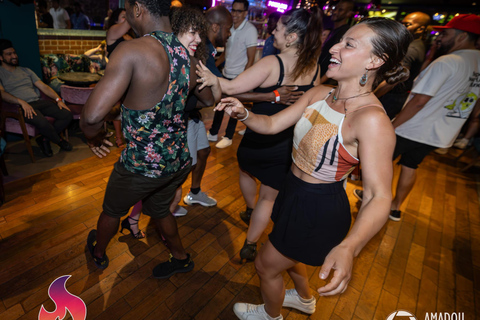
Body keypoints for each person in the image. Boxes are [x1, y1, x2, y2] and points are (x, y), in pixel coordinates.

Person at [212, 17, 412, 319]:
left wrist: (350, 247)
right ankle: (304, 299)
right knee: (288, 253)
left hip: (318, 207)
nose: (333, 48)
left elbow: (379, 196)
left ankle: (271, 315)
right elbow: (271, 124)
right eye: (339, 41)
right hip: (290, 189)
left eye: (349, 44)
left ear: (374, 60)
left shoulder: (371, 120)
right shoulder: (321, 93)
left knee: (266, 264)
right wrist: (243, 114)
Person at [80, 0, 213, 279]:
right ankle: (181, 258)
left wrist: (95, 138)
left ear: (138, 9)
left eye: (128, 10)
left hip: (141, 165)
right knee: (161, 210)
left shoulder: (132, 51)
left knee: (112, 210)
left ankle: (99, 254)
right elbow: (208, 99)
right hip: (176, 161)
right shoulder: (188, 57)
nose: (127, 15)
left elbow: (91, 117)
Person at [197, 7, 322, 262]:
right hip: (288, 143)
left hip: (260, 135)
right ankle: (250, 243)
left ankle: (250, 209)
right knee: (270, 195)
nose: (273, 31)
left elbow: (230, 86)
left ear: (292, 37)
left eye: (278, 28)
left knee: (245, 169)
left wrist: (210, 75)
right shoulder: (316, 68)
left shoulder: (272, 63)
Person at [387, 14, 480, 222]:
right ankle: (395, 207)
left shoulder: (449, 62)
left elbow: (419, 100)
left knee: (382, 162)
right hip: (441, 132)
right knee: (411, 165)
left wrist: (393, 125)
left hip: (413, 126)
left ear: (462, 36)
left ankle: (373, 200)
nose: (440, 36)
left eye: (446, 33)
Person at [0, 39, 73, 158]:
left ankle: (44, 139)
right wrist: (21, 102)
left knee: (67, 114)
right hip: (20, 106)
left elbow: (43, 87)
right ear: (1, 58)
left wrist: (58, 100)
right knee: (42, 122)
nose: (14, 56)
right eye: (9, 54)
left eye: (14, 53)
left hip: (38, 101)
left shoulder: (26, 70)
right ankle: (59, 141)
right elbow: (2, 93)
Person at [207, 0, 258, 149]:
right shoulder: (228, 28)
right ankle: (213, 132)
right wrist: (212, 66)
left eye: (238, 11)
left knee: (234, 107)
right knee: (220, 104)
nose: (234, 14)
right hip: (225, 73)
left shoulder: (250, 30)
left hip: (239, 76)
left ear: (245, 13)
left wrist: (244, 79)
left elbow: (251, 59)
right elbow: (226, 55)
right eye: (233, 10)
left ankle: (228, 136)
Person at [374, 12, 431, 120]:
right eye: (402, 23)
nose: (402, 27)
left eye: (408, 24)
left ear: (420, 29)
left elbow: (393, 80)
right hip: (397, 96)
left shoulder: (411, 49)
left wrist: (372, 96)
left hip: (389, 97)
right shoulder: (419, 45)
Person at [105, 7, 134, 147]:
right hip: (115, 76)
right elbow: (129, 22)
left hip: (130, 76)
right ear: (116, 20)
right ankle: (118, 137)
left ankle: (130, 135)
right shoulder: (113, 31)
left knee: (128, 107)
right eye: (123, 16)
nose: (126, 19)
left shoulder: (130, 37)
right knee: (117, 107)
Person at [318, 0, 355, 85]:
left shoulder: (345, 32)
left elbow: (339, 62)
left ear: (349, 13)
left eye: (340, 10)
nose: (335, 12)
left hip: (326, 82)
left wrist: (319, 83)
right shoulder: (333, 31)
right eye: (335, 8)